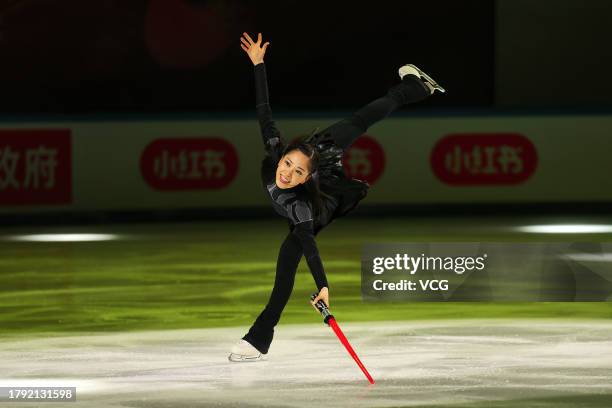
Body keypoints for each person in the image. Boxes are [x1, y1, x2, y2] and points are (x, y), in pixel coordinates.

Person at [229, 32, 444, 362]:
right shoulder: (276, 154)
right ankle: (260, 339)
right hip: (320, 156)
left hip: (320, 202)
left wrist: (323, 286)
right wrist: (258, 65)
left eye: (296, 172)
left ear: (306, 177)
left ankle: (414, 88)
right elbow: (264, 110)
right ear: (283, 155)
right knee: (352, 125)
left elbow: (310, 249)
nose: (285, 173)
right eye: (287, 164)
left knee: (286, 267)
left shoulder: (301, 208)